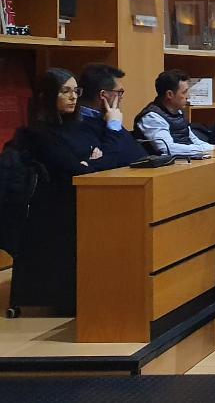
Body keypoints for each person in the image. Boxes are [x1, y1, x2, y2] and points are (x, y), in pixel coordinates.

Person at [8, 69, 125, 313]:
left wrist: (91, 162)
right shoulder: (38, 134)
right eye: (65, 91)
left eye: (76, 91)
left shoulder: (79, 127)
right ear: (48, 96)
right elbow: (79, 171)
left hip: (84, 196)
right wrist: (92, 160)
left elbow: (111, 161)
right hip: (55, 208)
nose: (73, 97)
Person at [134, 69, 215, 157]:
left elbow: (192, 139)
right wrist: (204, 150)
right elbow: (167, 149)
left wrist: (213, 148)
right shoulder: (152, 117)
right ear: (170, 94)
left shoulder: (177, 111)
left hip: (184, 160)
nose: (188, 96)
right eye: (184, 92)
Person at [77, 63, 148, 166]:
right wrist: (113, 126)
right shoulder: (81, 124)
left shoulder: (107, 116)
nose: (121, 97)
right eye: (119, 92)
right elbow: (109, 160)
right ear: (103, 95)